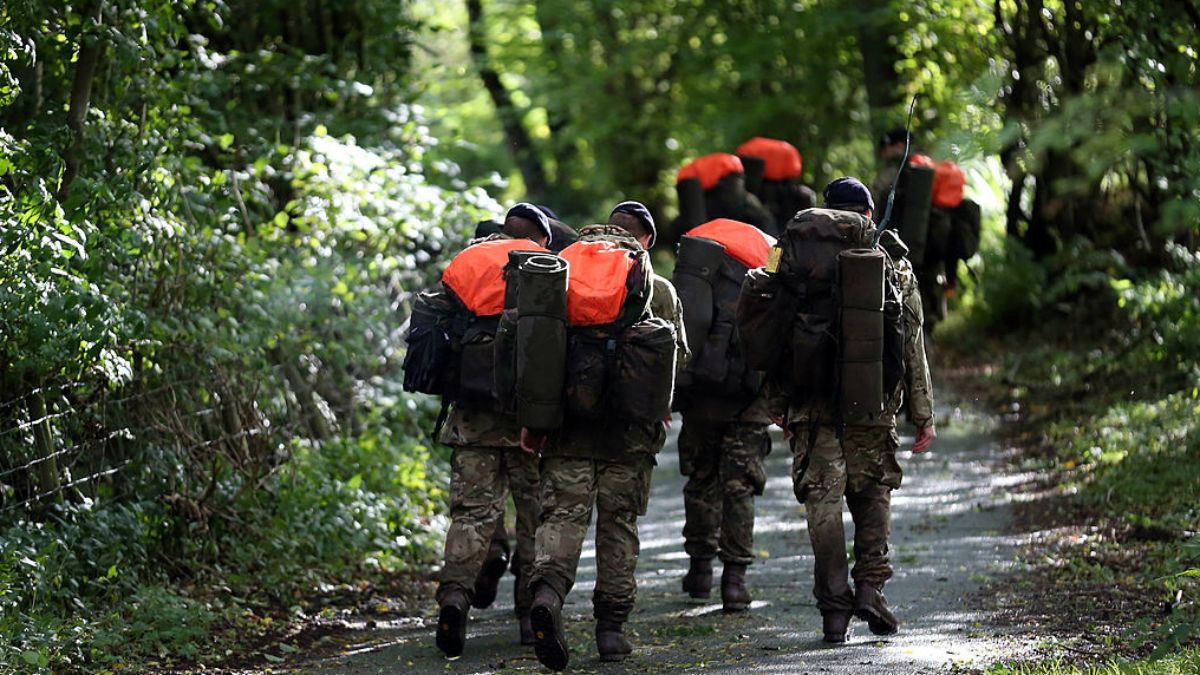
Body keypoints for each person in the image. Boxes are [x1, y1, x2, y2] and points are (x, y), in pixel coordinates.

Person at [766, 178, 937, 643]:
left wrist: (776, 403)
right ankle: (870, 587)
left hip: (810, 405)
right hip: (873, 405)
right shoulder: (892, 262)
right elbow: (911, 342)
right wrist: (923, 414)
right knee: (873, 494)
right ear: (868, 212)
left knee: (822, 504)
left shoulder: (790, 255)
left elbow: (768, 328)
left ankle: (834, 612)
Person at [524, 201, 688, 670]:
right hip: (630, 436)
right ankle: (612, 631)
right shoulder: (658, 287)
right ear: (647, 241)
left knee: (562, 517)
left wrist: (533, 421)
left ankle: (548, 595)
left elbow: (538, 349)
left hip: (569, 425)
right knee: (619, 526)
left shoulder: (564, 268)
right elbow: (679, 360)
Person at [430, 203, 551, 658]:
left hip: (473, 414)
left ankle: (456, 598)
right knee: (536, 518)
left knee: (472, 514)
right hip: (530, 419)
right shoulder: (546, 267)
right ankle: (527, 618)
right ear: (540, 237)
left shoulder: (467, 260)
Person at [671, 218, 774, 612]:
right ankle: (735, 581)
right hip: (749, 402)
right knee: (740, 487)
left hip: (700, 396)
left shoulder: (698, 272)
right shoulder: (766, 262)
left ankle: (699, 571)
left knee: (700, 480)